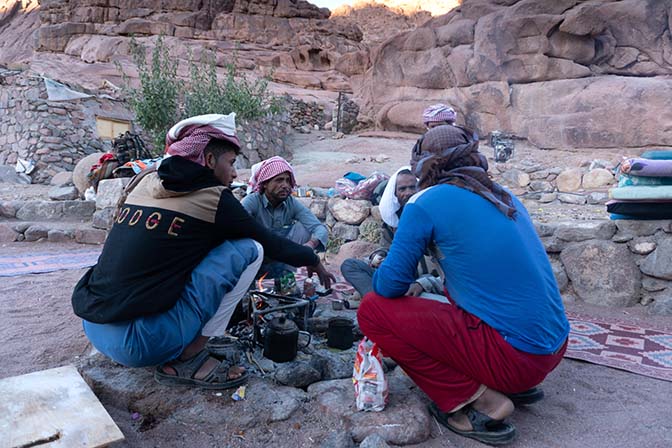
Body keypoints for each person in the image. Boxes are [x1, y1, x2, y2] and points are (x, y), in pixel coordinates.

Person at [71, 113, 335, 389]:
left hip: (94, 325)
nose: (234, 173)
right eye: (231, 163)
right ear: (209, 160)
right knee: (250, 250)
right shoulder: (214, 196)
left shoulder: (143, 183)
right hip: (141, 344)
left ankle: (173, 340)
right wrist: (312, 259)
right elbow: (271, 244)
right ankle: (190, 357)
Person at [357, 125, 569, 445]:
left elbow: (388, 287)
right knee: (453, 296)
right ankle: (507, 384)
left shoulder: (425, 201)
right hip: (553, 348)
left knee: (373, 310)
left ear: (423, 164)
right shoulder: (502, 195)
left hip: (515, 359)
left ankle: (479, 402)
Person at [340, 167, 442, 308]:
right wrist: (379, 256)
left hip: (422, 280)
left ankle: (379, 304)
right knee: (350, 266)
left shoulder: (430, 217)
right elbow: (386, 247)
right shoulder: (393, 221)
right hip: (396, 279)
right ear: (395, 194)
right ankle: (381, 303)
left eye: (413, 187)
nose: (408, 193)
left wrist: (423, 282)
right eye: (402, 189)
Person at [241, 156, 329, 278]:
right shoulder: (252, 202)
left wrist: (309, 247)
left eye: (288, 180)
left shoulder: (291, 202)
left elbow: (319, 228)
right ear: (265, 183)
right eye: (279, 180)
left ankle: (285, 276)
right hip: (256, 257)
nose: (285, 185)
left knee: (303, 228)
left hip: (281, 255)